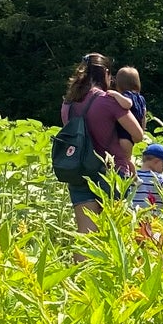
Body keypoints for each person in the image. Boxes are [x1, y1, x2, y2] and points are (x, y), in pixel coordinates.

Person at [59, 54, 145, 232]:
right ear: (105, 73)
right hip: (111, 173)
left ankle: (80, 261)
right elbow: (137, 135)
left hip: (79, 172)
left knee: (86, 233)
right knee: (114, 233)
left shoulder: (68, 104)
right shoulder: (108, 100)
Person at [110, 67, 148, 168]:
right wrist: (142, 131)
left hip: (124, 134)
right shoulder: (141, 98)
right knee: (128, 159)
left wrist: (115, 95)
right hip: (132, 135)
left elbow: (127, 104)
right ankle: (134, 177)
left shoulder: (127, 95)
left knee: (123, 161)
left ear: (119, 84)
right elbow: (144, 116)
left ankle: (133, 177)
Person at [131, 142, 163, 212]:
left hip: (133, 219)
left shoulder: (132, 176)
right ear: (156, 161)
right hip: (154, 220)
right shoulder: (160, 178)